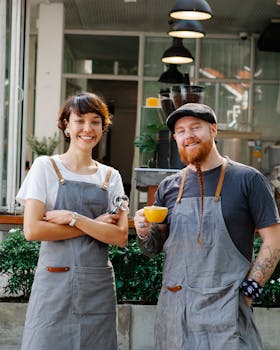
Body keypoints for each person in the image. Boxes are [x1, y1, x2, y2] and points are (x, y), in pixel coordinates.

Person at [134, 103, 280, 350]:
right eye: (181, 131)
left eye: (195, 127)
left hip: (226, 313)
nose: (188, 135)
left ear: (213, 129)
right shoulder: (168, 187)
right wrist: (143, 229)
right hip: (175, 313)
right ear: (175, 138)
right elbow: (151, 249)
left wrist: (250, 290)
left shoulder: (248, 179)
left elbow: (274, 239)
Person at [16, 92, 129, 350]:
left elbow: (120, 236)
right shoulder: (45, 167)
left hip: (96, 287)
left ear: (103, 127)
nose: (87, 129)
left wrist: (73, 218)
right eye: (79, 121)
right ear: (66, 126)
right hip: (54, 285)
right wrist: (92, 226)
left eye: (95, 121)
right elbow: (33, 230)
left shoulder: (111, 177)